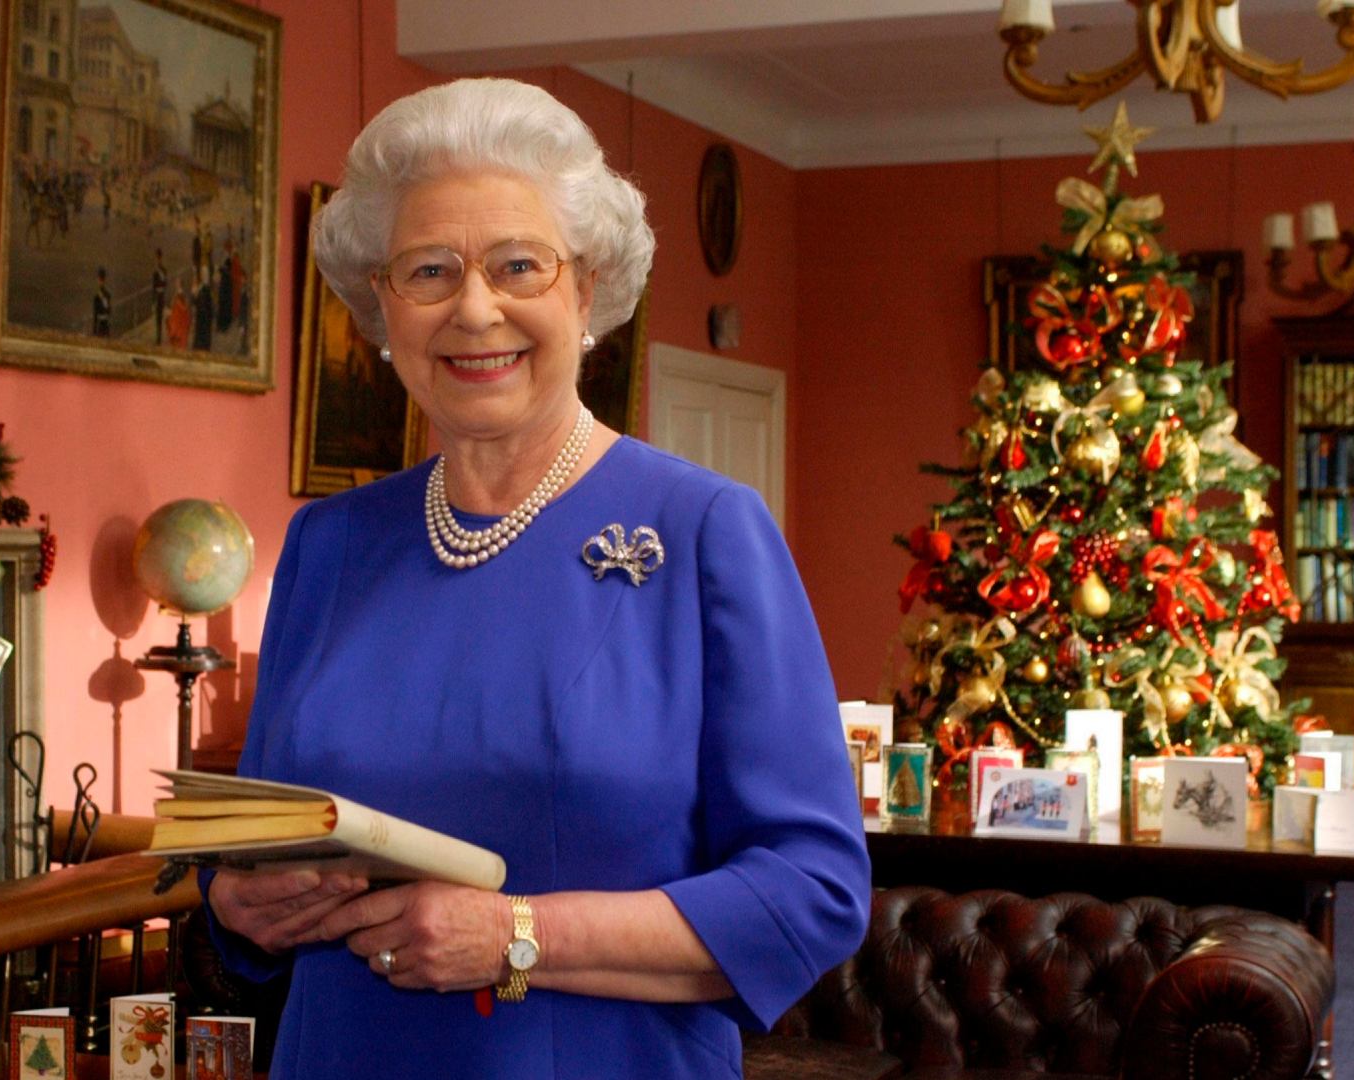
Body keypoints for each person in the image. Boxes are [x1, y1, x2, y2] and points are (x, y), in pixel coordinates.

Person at [202, 78, 868, 1078]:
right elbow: (265, 837)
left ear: (586, 289)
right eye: (429, 270)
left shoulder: (703, 532)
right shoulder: (328, 545)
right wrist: (236, 903)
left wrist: (517, 937)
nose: (475, 309)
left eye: (519, 265)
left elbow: (811, 892)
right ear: (381, 307)